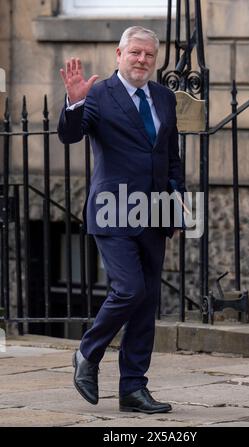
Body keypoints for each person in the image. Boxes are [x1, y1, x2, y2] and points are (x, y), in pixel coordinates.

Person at [58, 26, 185, 414]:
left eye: (149, 54)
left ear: (155, 58)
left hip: (154, 212)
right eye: (135, 53)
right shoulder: (99, 93)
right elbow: (69, 135)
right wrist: (74, 103)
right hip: (113, 210)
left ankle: (133, 388)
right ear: (119, 54)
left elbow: (170, 153)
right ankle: (87, 353)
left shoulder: (163, 97)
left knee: (146, 303)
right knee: (129, 290)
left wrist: (176, 198)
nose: (142, 60)